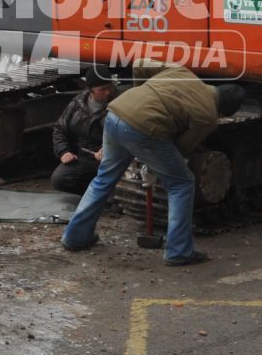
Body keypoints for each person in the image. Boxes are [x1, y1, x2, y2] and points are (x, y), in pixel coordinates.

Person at [59, 65, 244, 267]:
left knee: (103, 179)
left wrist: (140, 94)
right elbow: (182, 148)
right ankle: (179, 251)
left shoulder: (183, 73)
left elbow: (140, 64)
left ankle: (74, 237)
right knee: (182, 184)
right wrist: (153, 162)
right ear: (224, 111)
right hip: (142, 130)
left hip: (116, 113)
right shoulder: (208, 115)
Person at [51, 75, 117, 195]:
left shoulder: (119, 102)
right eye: (102, 89)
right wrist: (63, 151)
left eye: (109, 87)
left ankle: (109, 196)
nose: (108, 92)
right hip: (84, 156)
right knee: (59, 179)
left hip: (111, 159)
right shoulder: (78, 103)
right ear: (91, 90)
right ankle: (92, 195)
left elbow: (126, 132)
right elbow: (59, 128)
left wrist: (108, 148)